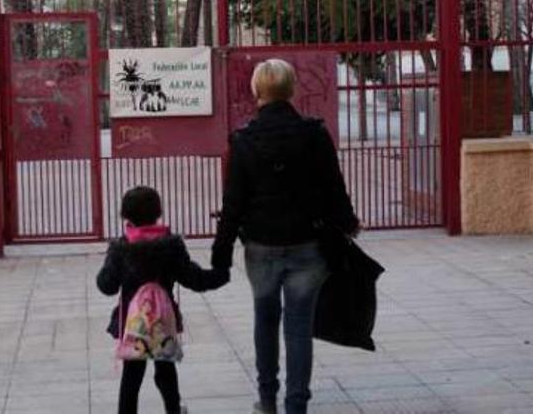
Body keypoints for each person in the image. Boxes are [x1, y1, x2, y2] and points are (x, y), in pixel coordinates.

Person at [211, 59, 360, 414]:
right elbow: (333, 188)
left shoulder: (244, 140)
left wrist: (220, 255)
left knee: (265, 320)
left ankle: (267, 399)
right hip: (308, 244)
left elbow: (233, 204)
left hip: (261, 246)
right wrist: (348, 223)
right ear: (291, 88)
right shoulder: (314, 134)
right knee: (298, 327)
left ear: (256, 90)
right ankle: (297, 405)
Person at [97, 186, 230, 414]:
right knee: (166, 371)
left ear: (125, 215)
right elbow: (193, 278)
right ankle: (173, 409)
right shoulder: (171, 246)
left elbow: (107, 285)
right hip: (162, 320)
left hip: (133, 323)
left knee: (132, 376)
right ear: (158, 212)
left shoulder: (121, 248)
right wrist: (221, 274)